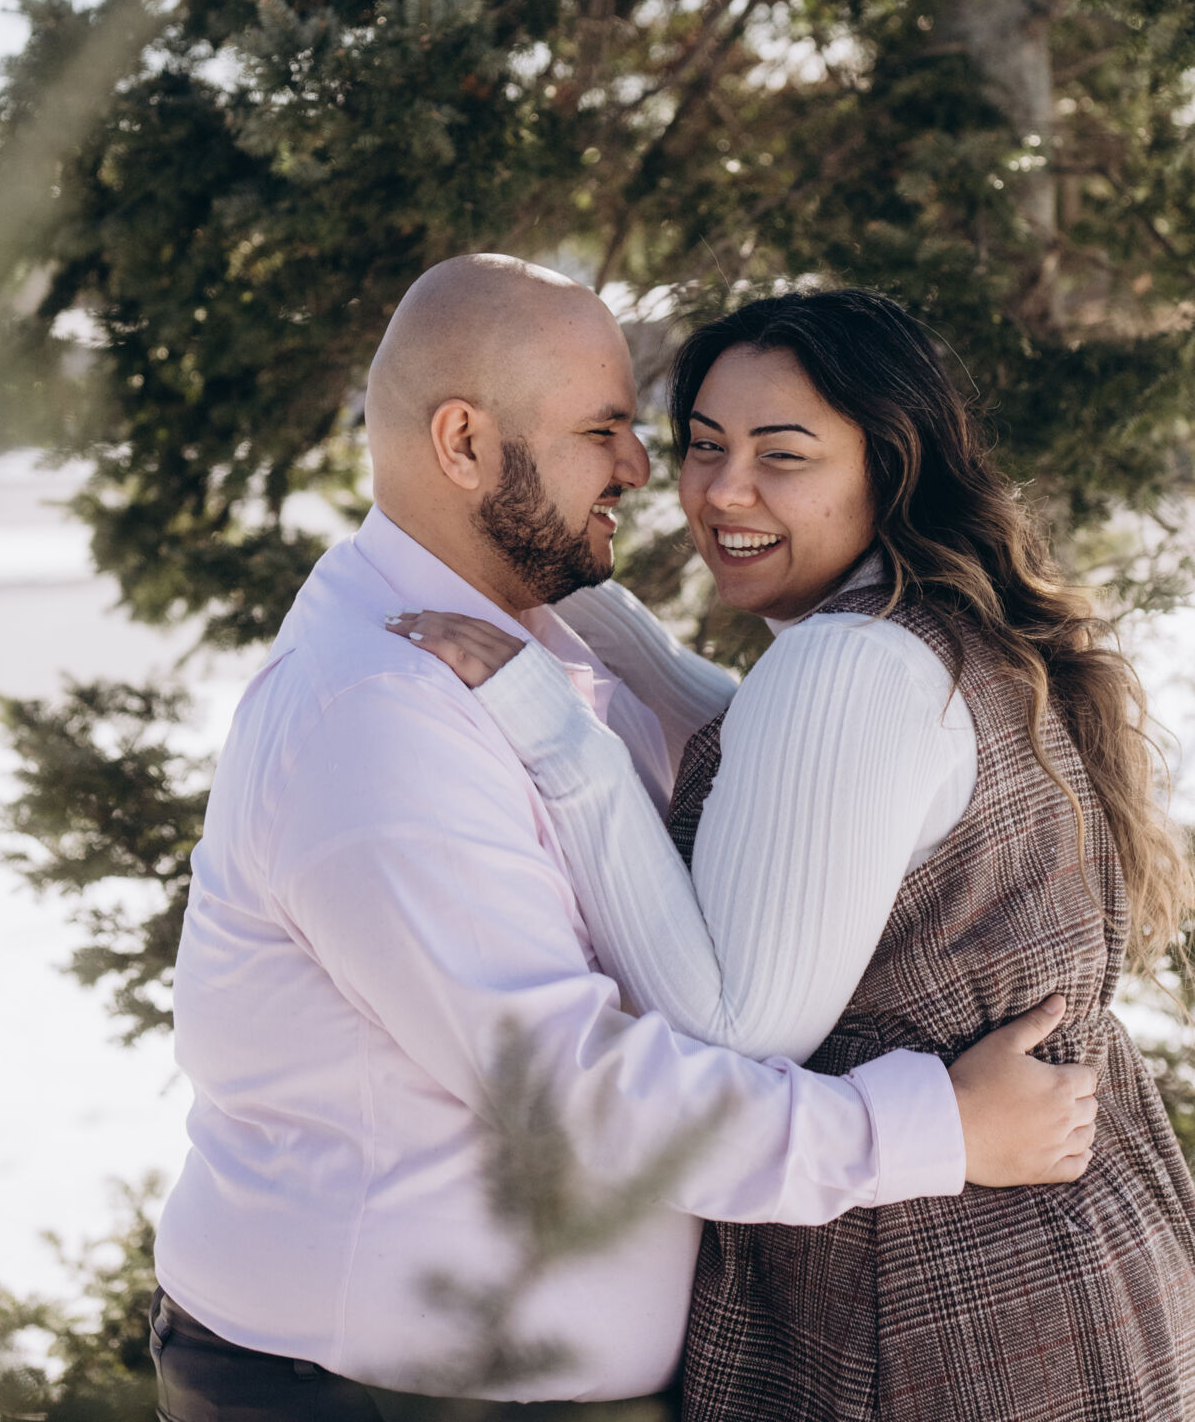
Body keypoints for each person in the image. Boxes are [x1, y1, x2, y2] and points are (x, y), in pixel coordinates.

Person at [151, 259, 1095, 1422]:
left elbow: (756, 788)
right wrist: (928, 1129)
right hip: (366, 1396)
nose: (645, 471)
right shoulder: (384, 717)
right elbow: (572, 1092)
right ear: (463, 444)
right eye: (603, 431)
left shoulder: (527, 647)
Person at [394, 286, 1195, 1422]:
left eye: (783, 455)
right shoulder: (941, 627)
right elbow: (779, 771)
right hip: (1068, 1257)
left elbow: (731, 1031)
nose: (724, 491)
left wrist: (560, 738)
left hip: (931, 1314)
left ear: (888, 469)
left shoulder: (849, 665)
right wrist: (571, 601)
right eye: (704, 446)